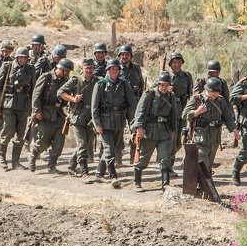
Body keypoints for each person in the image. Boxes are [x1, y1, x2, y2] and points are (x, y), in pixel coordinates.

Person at [90, 58, 137, 186]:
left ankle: (99, 173)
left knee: (111, 149)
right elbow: (94, 108)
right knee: (109, 149)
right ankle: (113, 176)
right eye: (112, 69)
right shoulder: (100, 85)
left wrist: (131, 121)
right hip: (104, 123)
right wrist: (97, 125)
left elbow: (132, 103)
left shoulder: (124, 84)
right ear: (108, 70)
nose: (114, 71)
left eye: (116, 69)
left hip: (119, 122)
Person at [132, 71, 179, 192]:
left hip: (164, 131)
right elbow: (140, 111)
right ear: (158, 84)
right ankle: (137, 182)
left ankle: (165, 184)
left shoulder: (171, 97)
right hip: (150, 131)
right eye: (162, 85)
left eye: (166, 85)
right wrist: (140, 127)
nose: (164, 87)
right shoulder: (150, 94)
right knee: (143, 158)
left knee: (165, 159)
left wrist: (173, 130)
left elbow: (174, 115)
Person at [0, 46, 37, 170]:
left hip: (23, 106)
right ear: (16, 57)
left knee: (21, 134)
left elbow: (34, 89)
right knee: (8, 129)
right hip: (8, 104)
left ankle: (15, 161)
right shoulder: (8, 66)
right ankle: (2, 158)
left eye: (25, 58)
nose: (22, 60)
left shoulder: (30, 69)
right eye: (20, 57)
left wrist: (34, 106)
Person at [182, 76, 238, 174]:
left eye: (217, 92)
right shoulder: (197, 99)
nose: (215, 94)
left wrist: (234, 130)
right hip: (201, 136)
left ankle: (204, 183)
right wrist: (196, 112)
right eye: (213, 91)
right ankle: (201, 183)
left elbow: (227, 116)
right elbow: (184, 115)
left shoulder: (220, 101)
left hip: (214, 136)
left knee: (209, 164)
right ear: (206, 89)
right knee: (202, 161)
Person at [30, 57, 72, 173]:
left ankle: (51, 166)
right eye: (67, 71)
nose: (68, 73)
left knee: (59, 140)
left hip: (59, 114)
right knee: (44, 141)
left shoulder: (65, 80)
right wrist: (37, 111)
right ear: (61, 69)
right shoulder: (46, 77)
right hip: (45, 114)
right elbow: (36, 95)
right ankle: (34, 153)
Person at [60, 58, 98, 177]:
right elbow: (60, 92)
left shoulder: (97, 82)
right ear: (82, 69)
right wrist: (73, 99)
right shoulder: (76, 80)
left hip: (91, 119)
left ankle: (71, 166)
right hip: (78, 117)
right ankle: (84, 171)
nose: (89, 70)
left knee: (84, 145)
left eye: (91, 68)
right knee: (82, 145)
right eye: (87, 68)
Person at [167, 52, 194, 153]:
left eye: (179, 62)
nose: (177, 65)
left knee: (181, 138)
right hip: (169, 111)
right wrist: (165, 89)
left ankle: (169, 156)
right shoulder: (165, 75)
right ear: (170, 64)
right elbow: (155, 90)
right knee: (170, 138)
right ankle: (168, 161)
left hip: (182, 110)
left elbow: (191, 93)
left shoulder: (186, 76)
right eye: (174, 62)